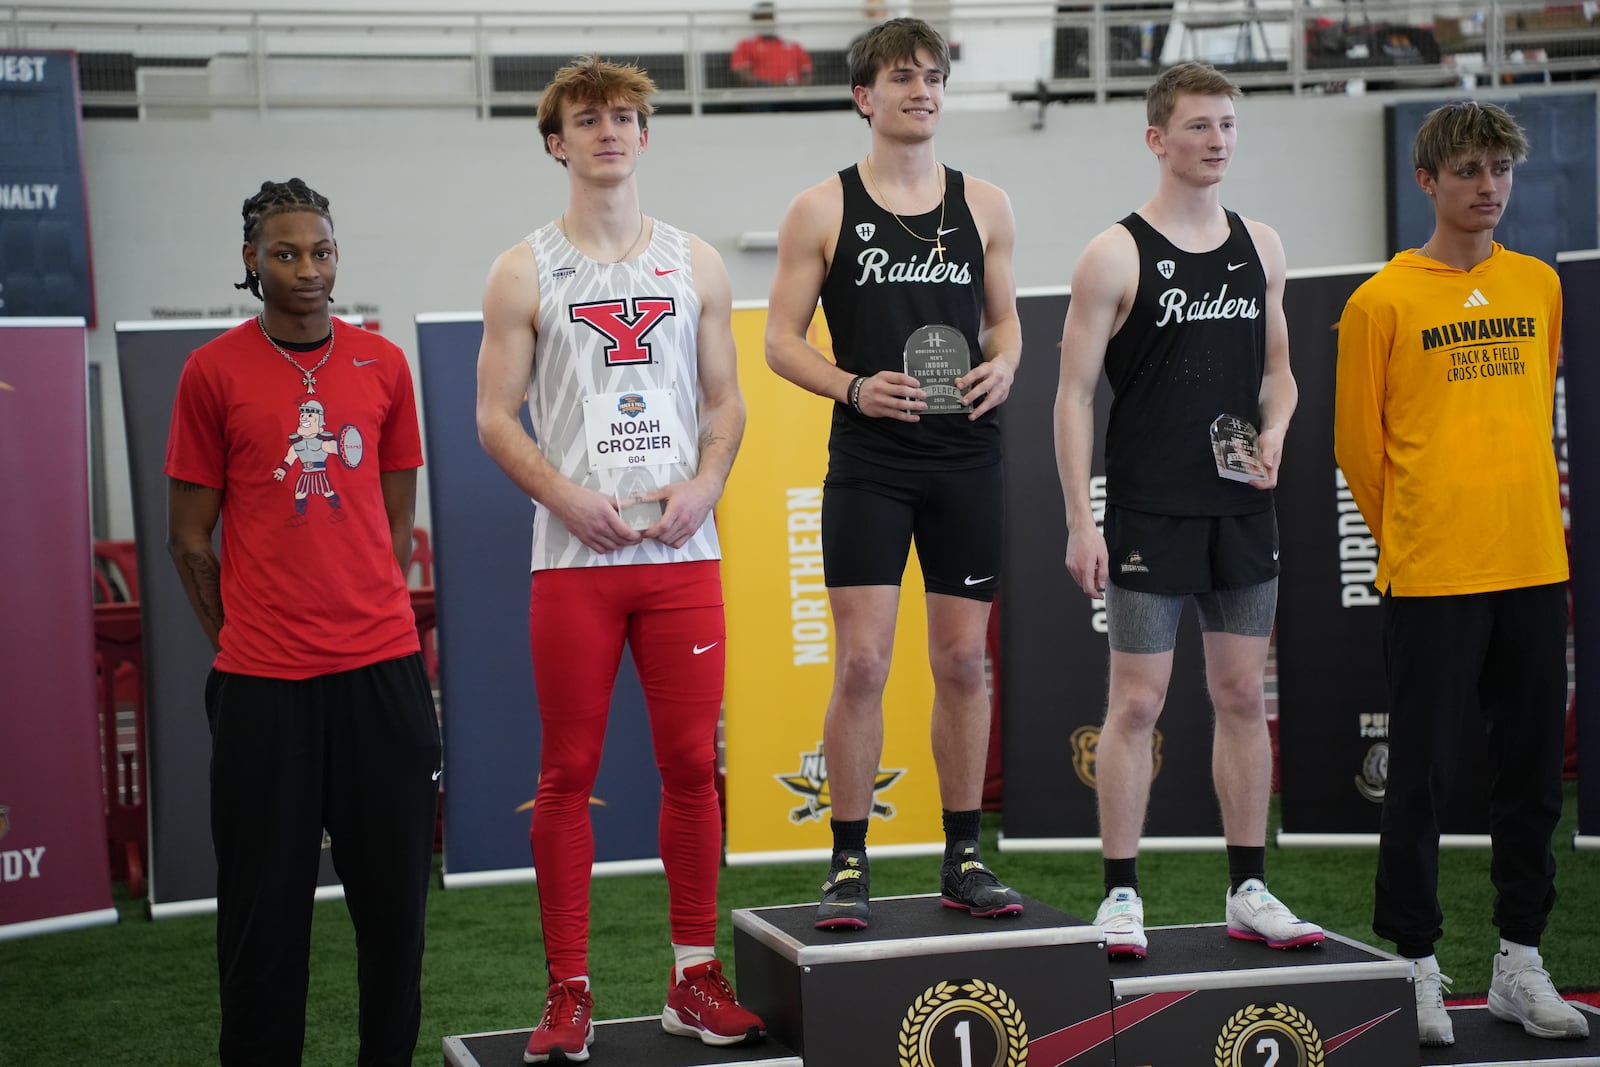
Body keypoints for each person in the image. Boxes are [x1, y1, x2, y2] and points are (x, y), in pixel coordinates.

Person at [474, 56, 764, 1063]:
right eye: (587, 119)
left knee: (691, 765)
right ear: (555, 141)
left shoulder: (697, 263)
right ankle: (569, 992)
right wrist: (566, 496)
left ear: (646, 136)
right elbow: (491, 416)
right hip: (574, 558)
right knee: (568, 771)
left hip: (684, 551)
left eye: (626, 116)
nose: (609, 131)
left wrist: (707, 482)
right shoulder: (523, 268)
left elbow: (725, 403)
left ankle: (692, 976)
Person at [165, 178, 442, 1067]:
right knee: (263, 922)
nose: (307, 269)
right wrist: (245, 634)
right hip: (263, 689)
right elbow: (188, 540)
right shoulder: (212, 372)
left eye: (320, 251)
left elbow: (395, 515)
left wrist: (364, 604)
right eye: (284, 253)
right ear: (251, 260)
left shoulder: (382, 363)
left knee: (395, 916)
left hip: (383, 679)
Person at [1335, 100, 1589, 1048]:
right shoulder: (1380, 302)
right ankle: (1415, 964)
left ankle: (1520, 960)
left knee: (1530, 779)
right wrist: (1413, 538)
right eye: (1470, 171)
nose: (1489, 188)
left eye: (1501, 171)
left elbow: (1532, 408)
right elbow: (1360, 451)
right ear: (1427, 183)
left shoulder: (1538, 286)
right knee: (1425, 779)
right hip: (1433, 574)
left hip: (1531, 562)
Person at [1053, 62, 1320, 960]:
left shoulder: (1264, 245)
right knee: (1138, 702)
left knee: (1244, 694)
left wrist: (1279, 425)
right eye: (1200, 126)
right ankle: (1121, 894)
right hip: (1147, 514)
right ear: (1156, 138)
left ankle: (1249, 885)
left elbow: (1278, 368)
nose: (1217, 141)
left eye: (1229, 126)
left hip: (1241, 510)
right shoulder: (1115, 253)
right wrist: (1080, 520)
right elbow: (1072, 397)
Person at [765, 17, 1024, 933]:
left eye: (934, 76)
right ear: (863, 96)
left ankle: (963, 854)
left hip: (967, 456)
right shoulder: (822, 208)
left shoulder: (985, 202)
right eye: (902, 77)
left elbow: (1006, 323)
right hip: (870, 462)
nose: (922, 90)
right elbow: (778, 343)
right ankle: (847, 859)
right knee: (866, 660)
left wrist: (1008, 360)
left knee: (961, 659)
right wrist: (852, 386)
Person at [730, 1, 813, 87]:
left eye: (769, 17)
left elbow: (808, 73)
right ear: (756, 21)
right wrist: (770, 85)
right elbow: (743, 73)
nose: (766, 22)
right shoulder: (745, 45)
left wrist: (801, 88)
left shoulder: (794, 46)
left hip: (795, 94)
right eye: (761, 18)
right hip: (764, 94)